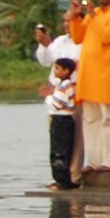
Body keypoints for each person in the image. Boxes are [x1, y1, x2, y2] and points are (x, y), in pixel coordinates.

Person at [67, 0, 110, 172]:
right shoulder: (94, 15)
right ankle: (94, 160)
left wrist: (92, 14)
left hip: (107, 73)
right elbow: (78, 37)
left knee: (108, 117)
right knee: (90, 119)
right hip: (89, 75)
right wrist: (76, 17)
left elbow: (107, 36)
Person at [45, 57, 79, 190]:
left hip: (62, 120)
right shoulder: (65, 86)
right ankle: (61, 179)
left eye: (58, 68)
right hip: (63, 119)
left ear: (66, 71)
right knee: (61, 149)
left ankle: (62, 181)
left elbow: (58, 104)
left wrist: (48, 97)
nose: (55, 70)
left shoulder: (65, 86)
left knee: (60, 150)